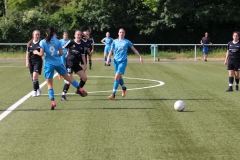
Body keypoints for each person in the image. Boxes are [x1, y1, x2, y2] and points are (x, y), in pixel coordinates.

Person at [39, 27, 88, 110]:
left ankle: (53, 101)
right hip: (58, 63)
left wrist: (35, 52)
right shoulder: (57, 41)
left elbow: (41, 54)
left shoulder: (43, 42)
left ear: (46, 33)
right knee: (68, 78)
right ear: (54, 33)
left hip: (49, 64)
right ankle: (79, 88)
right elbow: (61, 53)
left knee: (50, 84)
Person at [106, 28, 143, 99]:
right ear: (118, 33)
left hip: (123, 61)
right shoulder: (115, 42)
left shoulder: (127, 42)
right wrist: (108, 58)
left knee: (116, 76)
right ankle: (123, 88)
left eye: (123, 32)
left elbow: (134, 49)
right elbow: (111, 50)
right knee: (119, 77)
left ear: (124, 34)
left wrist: (140, 57)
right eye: (120, 32)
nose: (121, 33)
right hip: (116, 61)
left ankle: (113, 94)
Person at [60, 30, 88, 101]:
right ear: (74, 35)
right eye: (77, 35)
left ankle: (79, 90)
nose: (79, 36)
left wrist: (84, 64)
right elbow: (62, 48)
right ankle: (63, 95)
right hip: (69, 62)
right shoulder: (71, 42)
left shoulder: (82, 44)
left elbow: (83, 55)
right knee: (69, 78)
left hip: (76, 64)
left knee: (84, 78)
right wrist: (57, 54)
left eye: (80, 35)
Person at [26, 30, 43, 97]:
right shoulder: (29, 44)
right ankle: (38, 88)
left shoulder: (41, 43)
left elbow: (42, 54)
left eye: (38, 34)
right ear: (33, 35)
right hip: (31, 62)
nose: (37, 36)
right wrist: (27, 62)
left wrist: (37, 52)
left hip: (38, 62)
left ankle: (34, 91)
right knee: (33, 78)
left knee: (35, 76)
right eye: (36, 34)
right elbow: (27, 53)